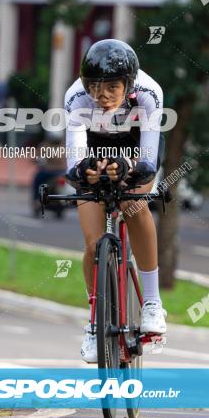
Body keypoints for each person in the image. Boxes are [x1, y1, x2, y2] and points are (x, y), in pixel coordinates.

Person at [63, 38, 166, 363]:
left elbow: (149, 162)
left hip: (136, 150)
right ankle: (95, 323)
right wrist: (86, 172)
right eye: (94, 86)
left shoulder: (150, 94)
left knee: (135, 205)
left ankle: (152, 302)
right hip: (94, 151)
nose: (101, 95)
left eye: (111, 87)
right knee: (93, 244)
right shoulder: (76, 98)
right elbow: (73, 162)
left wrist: (130, 169)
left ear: (129, 84)